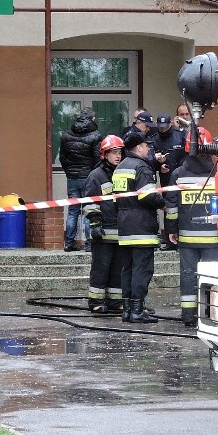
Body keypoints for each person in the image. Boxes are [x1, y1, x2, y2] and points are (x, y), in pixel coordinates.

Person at [164, 127, 218, 327]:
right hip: (215, 239)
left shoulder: (178, 174)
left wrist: (171, 230)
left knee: (188, 275)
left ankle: (189, 316)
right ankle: (211, 316)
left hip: (187, 238)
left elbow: (171, 206)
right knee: (213, 277)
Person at [112, 131, 165, 323]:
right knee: (142, 269)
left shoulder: (119, 167)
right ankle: (137, 309)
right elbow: (147, 196)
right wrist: (163, 203)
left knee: (128, 268)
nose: (149, 149)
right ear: (139, 147)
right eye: (146, 146)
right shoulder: (142, 167)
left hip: (125, 225)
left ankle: (127, 309)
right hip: (142, 226)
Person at [83, 135, 125, 314]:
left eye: (119, 152)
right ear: (104, 154)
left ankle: (115, 302)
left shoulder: (122, 173)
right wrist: (95, 223)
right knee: (101, 268)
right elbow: (90, 202)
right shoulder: (96, 176)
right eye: (114, 153)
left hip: (121, 230)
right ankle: (96, 302)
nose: (118, 156)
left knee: (118, 269)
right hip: (103, 230)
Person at [59, 106, 102, 252]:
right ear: (92, 119)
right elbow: (98, 158)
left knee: (73, 211)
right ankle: (89, 243)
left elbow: (63, 158)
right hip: (88, 177)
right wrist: (94, 175)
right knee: (89, 210)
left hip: (72, 177)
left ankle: (68, 243)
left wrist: (69, 172)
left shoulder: (66, 134)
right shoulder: (96, 135)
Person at [151, 112, 186, 251]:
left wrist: (181, 168)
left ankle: (182, 238)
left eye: (165, 127)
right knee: (169, 208)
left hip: (182, 176)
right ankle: (170, 240)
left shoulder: (180, 135)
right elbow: (150, 160)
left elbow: (188, 154)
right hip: (166, 177)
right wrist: (159, 166)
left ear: (170, 124)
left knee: (182, 206)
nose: (162, 129)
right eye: (160, 127)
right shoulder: (154, 138)